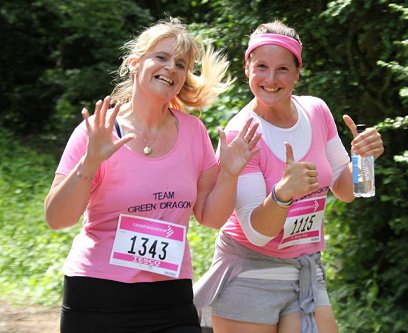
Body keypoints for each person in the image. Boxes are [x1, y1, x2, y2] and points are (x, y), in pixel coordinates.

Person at [44, 18, 260, 333]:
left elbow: (211, 217)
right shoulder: (99, 132)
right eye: (161, 57)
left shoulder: (193, 132)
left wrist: (229, 174)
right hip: (98, 295)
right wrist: (88, 164)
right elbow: (56, 218)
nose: (171, 68)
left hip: (170, 297)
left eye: (181, 64)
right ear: (135, 63)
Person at [193, 20, 385, 333]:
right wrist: (283, 194)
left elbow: (346, 190)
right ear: (247, 68)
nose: (271, 79)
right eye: (262, 67)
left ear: (298, 72)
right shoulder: (241, 133)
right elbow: (257, 233)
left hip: (305, 266)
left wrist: (363, 160)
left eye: (283, 69)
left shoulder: (316, 110)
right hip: (251, 271)